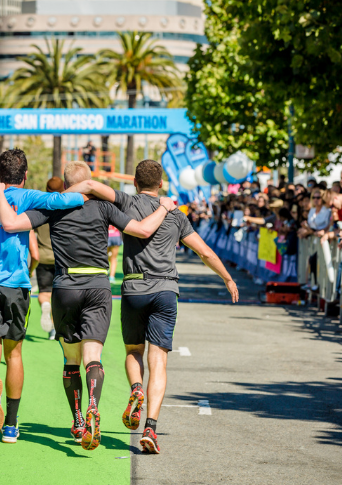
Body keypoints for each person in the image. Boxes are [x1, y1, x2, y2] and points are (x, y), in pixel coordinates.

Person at [0, 160, 176, 451]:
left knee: (70, 360)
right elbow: (141, 230)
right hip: (99, 288)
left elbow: (10, 223)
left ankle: (78, 421)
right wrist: (165, 207)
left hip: (64, 288)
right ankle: (93, 406)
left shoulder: (53, 206)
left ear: (66, 185)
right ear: (90, 183)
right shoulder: (104, 207)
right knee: (93, 358)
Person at [66, 160, 239, 453]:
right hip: (166, 290)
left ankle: (136, 390)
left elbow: (93, 186)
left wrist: (64, 192)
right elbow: (204, 252)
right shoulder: (176, 214)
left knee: (134, 351)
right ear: (161, 184)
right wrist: (227, 278)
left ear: (135, 182)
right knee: (158, 361)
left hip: (134, 287)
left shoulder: (126, 202)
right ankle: (151, 429)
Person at [0, 148, 86, 444]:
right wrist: (89, 190)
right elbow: (64, 199)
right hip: (15, 283)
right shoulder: (25, 196)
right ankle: (10, 426)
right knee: (15, 353)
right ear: (23, 176)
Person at [34, 177, 64, 340]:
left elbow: (32, 232)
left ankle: (45, 308)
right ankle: (55, 329)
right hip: (61, 258)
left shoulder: (40, 209)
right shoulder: (66, 209)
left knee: (44, 292)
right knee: (58, 296)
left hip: (42, 257)